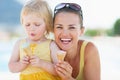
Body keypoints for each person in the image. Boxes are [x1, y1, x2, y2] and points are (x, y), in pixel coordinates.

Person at [8, 0, 63, 80]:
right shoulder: (19, 43)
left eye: (37, 24)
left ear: (47, 24)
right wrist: (21, 64)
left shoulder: (51, 45)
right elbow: (11, 67)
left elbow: (59, 70)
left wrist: (42, 63)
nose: (32, 28)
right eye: (27, 24)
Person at [53, 3, 101, 80]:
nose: (65, 34)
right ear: (53, 30)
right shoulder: (47, 49)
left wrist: (68, 78)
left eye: (71, 27)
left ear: (81, 31)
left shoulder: (89, 50)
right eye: (59, 27)